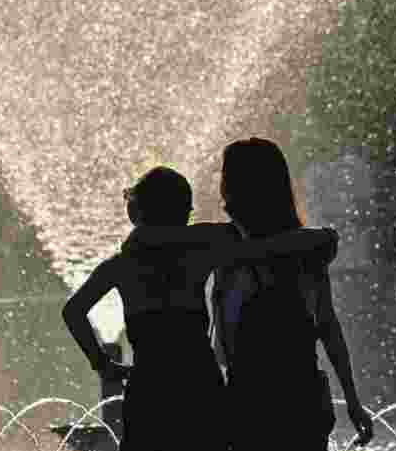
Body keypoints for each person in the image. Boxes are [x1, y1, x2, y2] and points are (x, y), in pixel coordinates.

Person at [62, 166, 339, 451]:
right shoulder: (200, 253)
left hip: (150, 387)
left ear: (136, 213)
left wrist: (102, 364)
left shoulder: (119, 266)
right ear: (184, 213)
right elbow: (261, 247)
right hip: (200, 386)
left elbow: (73, 311)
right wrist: (318, 236)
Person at [128, 139, 374, 450]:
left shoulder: (293, 248)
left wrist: (353, 401)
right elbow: (143, 240)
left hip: (281, 403)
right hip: (267, 400)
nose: (220, 185)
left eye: (225, 176)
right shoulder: (285, 245)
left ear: (244, 186)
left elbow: (327, 325)